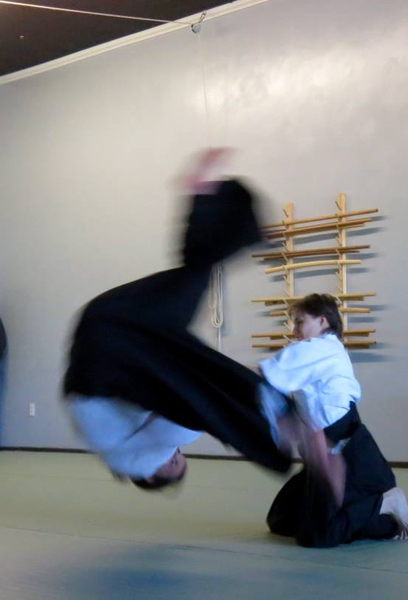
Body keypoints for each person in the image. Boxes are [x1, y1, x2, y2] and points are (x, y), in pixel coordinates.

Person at [63, 150, 339, 494]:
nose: (174, 454)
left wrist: (280, 428)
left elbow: (188, 421)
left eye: (172, 463)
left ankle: (279, 422)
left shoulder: (132, 461)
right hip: (109, 324)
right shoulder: (120, 442)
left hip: (104, 362)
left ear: (150, 477)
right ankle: (202, 194)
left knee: (201, 394)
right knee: (193, 279)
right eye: (178, 458)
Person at [261, 294, 408, 548]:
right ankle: (369, 514)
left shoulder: (321, 348)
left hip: (348, 456)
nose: (294, 330)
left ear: (322, 321)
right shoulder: (320, 350)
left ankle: (387, 504)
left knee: (319, 536)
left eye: (299, 322)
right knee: (281, 520)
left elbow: (265, 376)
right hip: (323, 453)